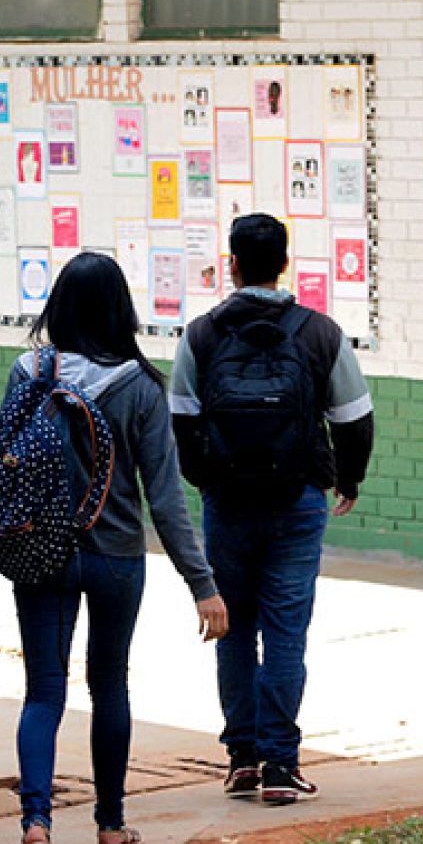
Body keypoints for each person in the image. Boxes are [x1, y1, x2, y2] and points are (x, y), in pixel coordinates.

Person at [2, 253, 226, 844]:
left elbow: (2, 464)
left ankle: (37, 825)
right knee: (110, 685)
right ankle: (109, 823)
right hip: (115, 555)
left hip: (39, 553)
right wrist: (202, 585)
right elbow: (165, 497)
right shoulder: (139, 385)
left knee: (44, 690)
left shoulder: (27, 371)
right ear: (119, 309)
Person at [169, 214, 374, 807]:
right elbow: (354, 416)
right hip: (297, 501)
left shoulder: (201, 335)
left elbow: (181, 419)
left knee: (232, 630)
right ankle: (282, 765)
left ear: (232, 263)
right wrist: (348, 477)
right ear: (285, 263)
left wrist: (206, 480)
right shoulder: (319, 333)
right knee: (286, 633)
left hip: (226, 505)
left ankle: (241, 760)